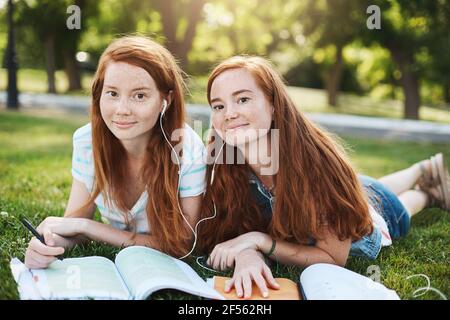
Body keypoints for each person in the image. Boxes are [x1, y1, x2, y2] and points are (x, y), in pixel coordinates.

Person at [197, 55, 450, 299]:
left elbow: (331, 258)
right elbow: (226, 231)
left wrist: (260, 241)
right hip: (354, 190)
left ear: (274, 104)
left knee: (397, 206)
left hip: (369, 221)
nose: (229, 113)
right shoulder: (226, 165)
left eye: (242, 99)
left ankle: (426, 191)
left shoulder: (317, 166)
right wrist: (246, 254)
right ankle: (421, 170)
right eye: (218, 106)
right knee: (372, 185)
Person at [24, 36, 206, 269]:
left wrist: (89, 227)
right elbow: (73, 224)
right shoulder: (86, 141)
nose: (122, 110)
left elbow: (182, 245)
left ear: (165, 101)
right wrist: (48, 243)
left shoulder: (187, 149)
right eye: (112, 93)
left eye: (139, 96)